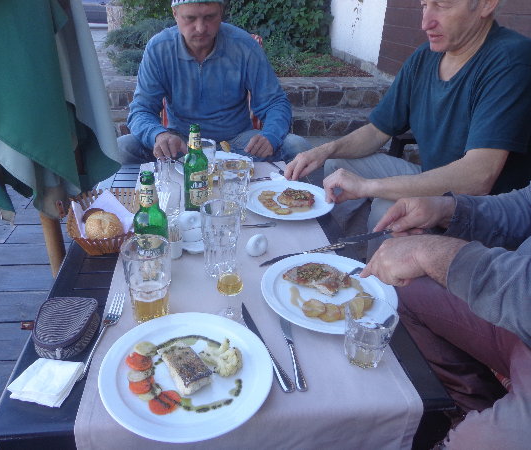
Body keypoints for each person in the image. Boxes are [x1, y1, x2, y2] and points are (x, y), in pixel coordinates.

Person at [285, 0, 531, 259]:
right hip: (433, 176)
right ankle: (345, 251)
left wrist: (369, 186)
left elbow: (478, 177)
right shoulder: (425, 57)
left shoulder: (511, 60)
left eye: (442, 5)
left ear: (486, 4)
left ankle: (376, 277)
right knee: (338, 164)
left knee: (387, 208)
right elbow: (377, 132)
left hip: (479, 213)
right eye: (424, 5)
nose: (426, 23)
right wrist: (325, 150)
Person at [359, 186, 531, 449]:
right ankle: (469, 408)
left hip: (520, 298)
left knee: (477, 440)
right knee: (405, 292)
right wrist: (448, 209)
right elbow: (524, 206)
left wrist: (437, 255)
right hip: (514, 307)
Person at [117, 0, 311, 164]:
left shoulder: (244, 46)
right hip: (181, 144)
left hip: (238, 144)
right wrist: (158, 135)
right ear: (175, 14)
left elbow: (275, 102)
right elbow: (141, 109)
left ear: (221, 13)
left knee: (297, 146)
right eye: (190, 18)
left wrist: (270, 136)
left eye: (210, 17)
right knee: (122, 147)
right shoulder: (159, 48)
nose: (201, 28)